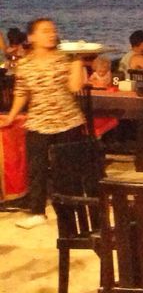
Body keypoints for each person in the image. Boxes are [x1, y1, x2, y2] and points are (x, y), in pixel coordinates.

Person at [0, 18, 86, 228]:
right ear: (31, 37)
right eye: (45, 31)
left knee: (67, 169)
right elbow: (21, 92)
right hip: (38, 121)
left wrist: (77, 61)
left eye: (53, 31)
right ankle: (37, 211)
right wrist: (11, 116)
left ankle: (71, 210)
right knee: (36, 168)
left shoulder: (64, 59)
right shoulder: (25, 63)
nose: (51, 34)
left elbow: (75, 87)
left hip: (68, 121)